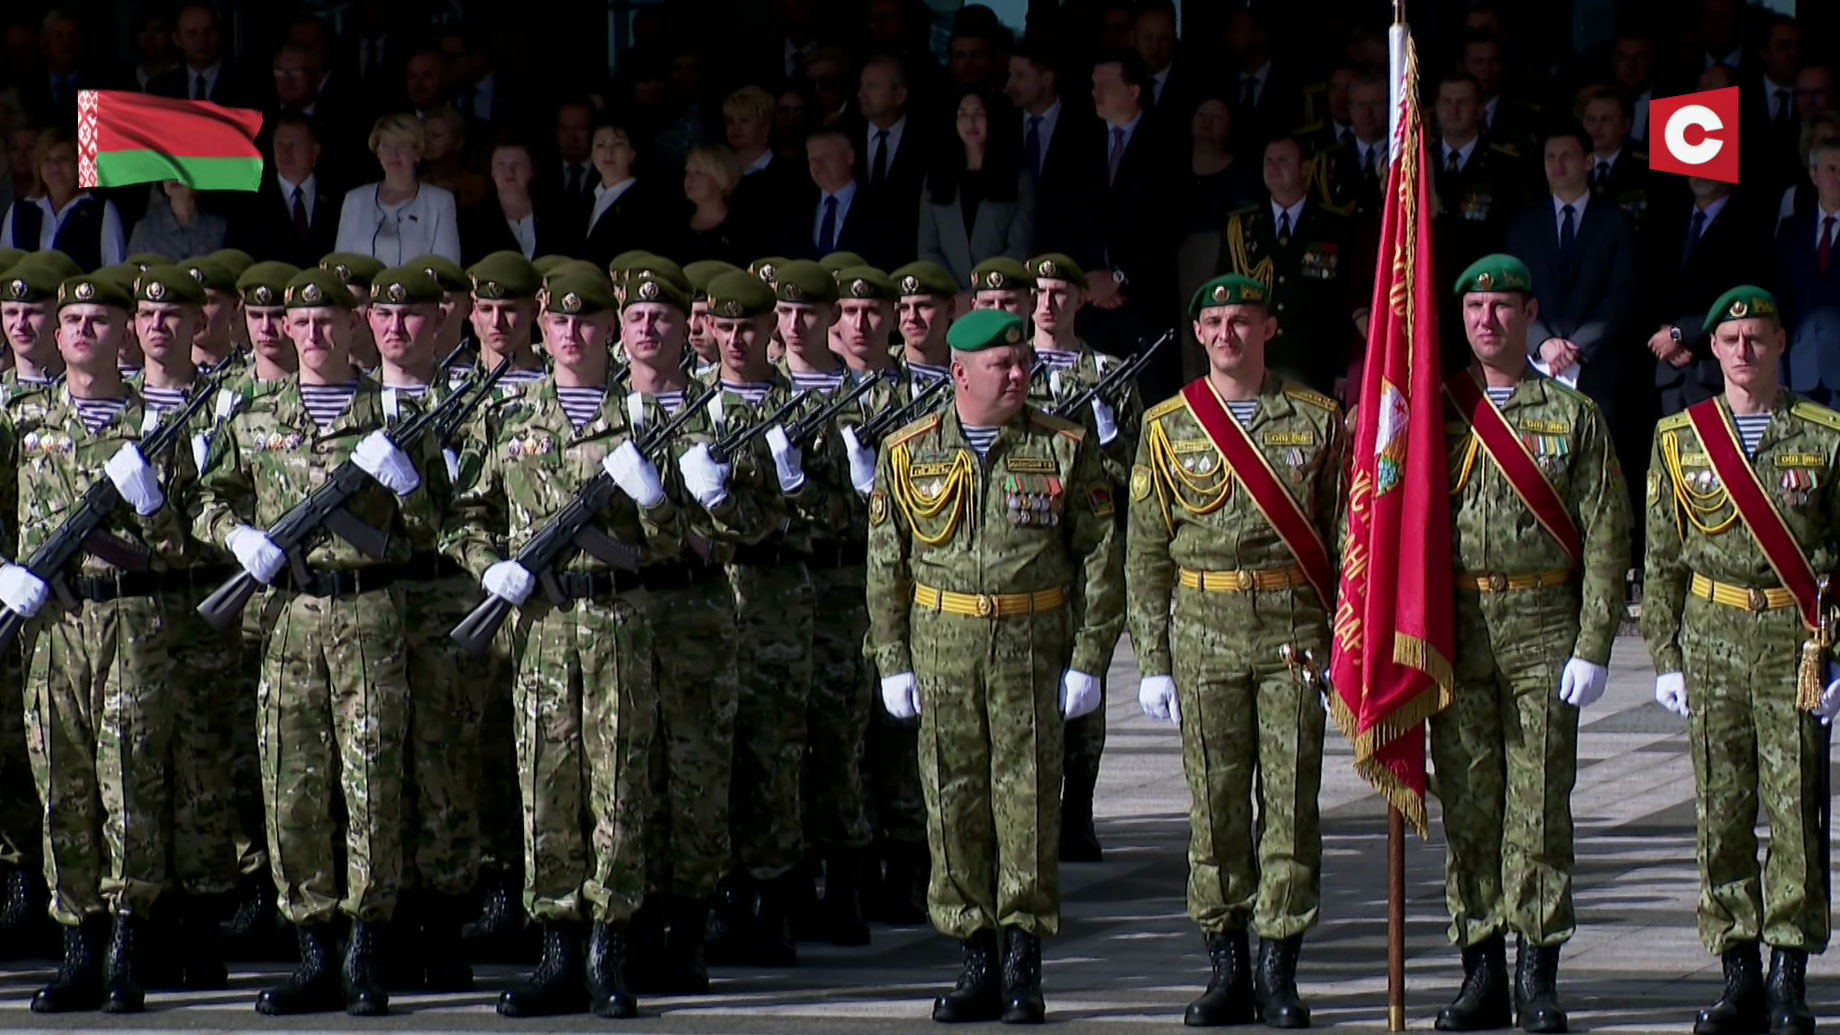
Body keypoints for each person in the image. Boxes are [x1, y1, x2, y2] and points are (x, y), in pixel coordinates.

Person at [194, 265, 441, 1016]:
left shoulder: (392, 415)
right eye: (301, 323)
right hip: (289, 618)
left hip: (368, 613)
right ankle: (314, 944)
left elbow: (438, 527)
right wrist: (238, 538)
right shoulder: (253, 412)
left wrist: (407, 484)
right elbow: (209, 500)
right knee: (290, 784)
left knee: (370, 786)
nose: (312, 333)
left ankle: (367, 944)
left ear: (353, 326)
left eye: (329, 320)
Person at [864, 308, 1123, 1024]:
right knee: (952, 803)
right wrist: (892, 659)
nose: (1017, 375)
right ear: (959, 373)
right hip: (944, 645)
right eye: (1002, 366)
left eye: (1022, 364)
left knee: (1029, 803)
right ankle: (973, 952)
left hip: (1029, 647)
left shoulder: (1066, 447)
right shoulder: (908, 450)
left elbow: (1101, 558)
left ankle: (1023, 961)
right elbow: (886, 564)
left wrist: (1090, 658)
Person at [442, 265, 687, 1018]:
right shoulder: (511, 419)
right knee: (545, 784)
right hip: (541, 626)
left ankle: (610, 947)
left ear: (609, 330)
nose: (574, 334)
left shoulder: (647, 417)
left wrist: (653, 501)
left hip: (618, 620)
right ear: (541, 329)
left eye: (588, 323)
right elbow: (464, 516)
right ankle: (556, 945)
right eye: (560, 322)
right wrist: (494, 569)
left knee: (617, 785)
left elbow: (682, 544)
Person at [1127, 273, 1345, 1026]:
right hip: (1204, 628)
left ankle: (1279, 963)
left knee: (1289, 806)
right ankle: (1227, 966)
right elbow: (1147, 553)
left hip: (1291, 632)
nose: (1227, 334)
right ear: (1198, 333)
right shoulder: (1167, 425)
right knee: (1215, 807)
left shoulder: (1318, 419)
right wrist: (1152, 659)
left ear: (1269, 329)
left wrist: (1346, 646)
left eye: (1241, 321)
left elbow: (1349, 540)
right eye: (1214, 322)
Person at [1433, 255, 1629, 1033]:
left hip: (1544, 623)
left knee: (1540, 808)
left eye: (1503, 306)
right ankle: (1479, 968)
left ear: (1530, 313)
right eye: (1475, 306)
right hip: (1455, 629)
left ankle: (1536, 972)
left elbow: (1608, 533)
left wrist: (1595, 640)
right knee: (1469, 807)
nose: (1487, 319)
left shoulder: (1572, 416)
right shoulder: (1433, 411)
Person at [1642, 285, 1839, 1035]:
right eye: (1731, 340)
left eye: (1757, 338)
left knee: (1794, 811)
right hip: (1714, 633)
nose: (1744, 351)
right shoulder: (1679, 439)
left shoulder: (1824, 437)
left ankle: (1789, 974)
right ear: (1712, 350)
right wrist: (1665, 656)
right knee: (1720, 810)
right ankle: (1737, 973)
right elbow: (1660, 559)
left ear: (1781, 344)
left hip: (1794, 643)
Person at [2, 270, 198, 1014]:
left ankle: (126, 944)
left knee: (132, 782)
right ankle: (76, 943)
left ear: (125, 332)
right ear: (57, 333)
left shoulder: (160, 423)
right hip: (51, 623)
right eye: (73, 318)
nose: (84, 330)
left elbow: (183, 546)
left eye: (100, 319)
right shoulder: (21, 421)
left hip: (131, 622)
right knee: (64, 788)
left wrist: (152, 504)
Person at [1023, 252, 1139, 864]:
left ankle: (1079, 810)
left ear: (1078, 300)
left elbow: (1136, 470)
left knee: (1085, 673)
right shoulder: (1010, 369)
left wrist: (1110, 435)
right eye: (1037, 292)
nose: (1046, 304)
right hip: (1029, 541)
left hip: (1087, 546)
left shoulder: (1109, 373)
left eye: (1058, 292)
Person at [918, 87, 1035, 290]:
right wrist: (957, 295)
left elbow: (1018, 249)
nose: (970, 122)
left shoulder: (1018, 179)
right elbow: (928, 249)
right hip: (950, 301)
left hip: (999, 295)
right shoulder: (935, 179)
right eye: (962, 114)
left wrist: (982, 291)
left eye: (978, 114)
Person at [333, 114, 462, 267]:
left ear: (417, 153)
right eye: (386, 146)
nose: (393, 155)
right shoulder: (355, 200)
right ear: (378, 152)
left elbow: (447, 269)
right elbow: (340, 265)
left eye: (402, 146)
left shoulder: (440, 202)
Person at [0, 129, 127, 271]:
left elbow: (114, 272)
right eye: (47, 159)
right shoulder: (19, 211)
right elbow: (6, 268)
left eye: (63, 159)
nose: (54, 166)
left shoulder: (101, 211)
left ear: (78, 164)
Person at [581, 120, 661, 271]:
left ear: (632, 153)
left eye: (617, 144)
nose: (608, 153)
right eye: (600, 145)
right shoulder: (583, 201)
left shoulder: (647, 203)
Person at [669, 145, 754, 267]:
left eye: (699, 172)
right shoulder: (675, 223)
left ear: (721, 177)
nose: (689, 178)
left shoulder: (742, 229)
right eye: (687, 172)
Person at [127, 183, 227, 261]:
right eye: (168, 172)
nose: (174, 177)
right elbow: (131, 277)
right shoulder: (144, 229)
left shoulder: (218, 227)